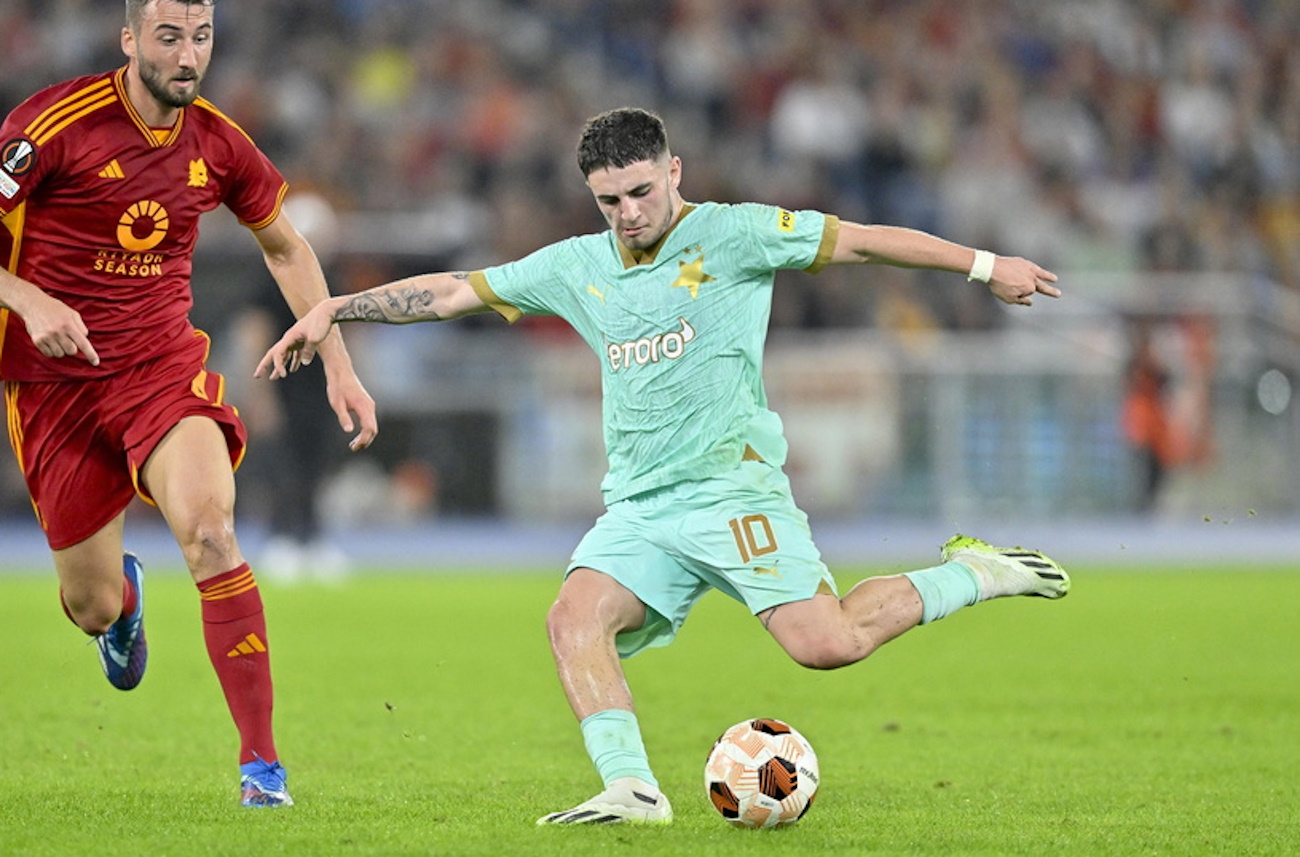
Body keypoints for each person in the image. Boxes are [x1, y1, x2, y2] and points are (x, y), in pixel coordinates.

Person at [257, 106, 1070, 825]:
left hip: (732, 486)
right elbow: (452, 293)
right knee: (572, 618)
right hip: (642, 505)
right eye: (609, 199)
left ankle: (979, 572)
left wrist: (982, 265)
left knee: (827, 644)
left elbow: (859, 242)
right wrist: (336, 306)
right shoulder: (577, 264)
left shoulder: (737, 232)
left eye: (642, 191)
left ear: (673, 171)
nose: (629, 212)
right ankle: (633, 790)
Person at [0, 0, 377, 807]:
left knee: (211, 529)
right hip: (52, 386)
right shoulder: (52, 125)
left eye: (201, 37)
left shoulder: (218, 142)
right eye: (169, 36)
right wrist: (28, 300)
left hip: (159, 370)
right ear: (130, 38)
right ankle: (124, 603)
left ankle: (261, 767)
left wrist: (338, 362)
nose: (188, 54)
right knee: (89, 602)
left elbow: (287, 246)